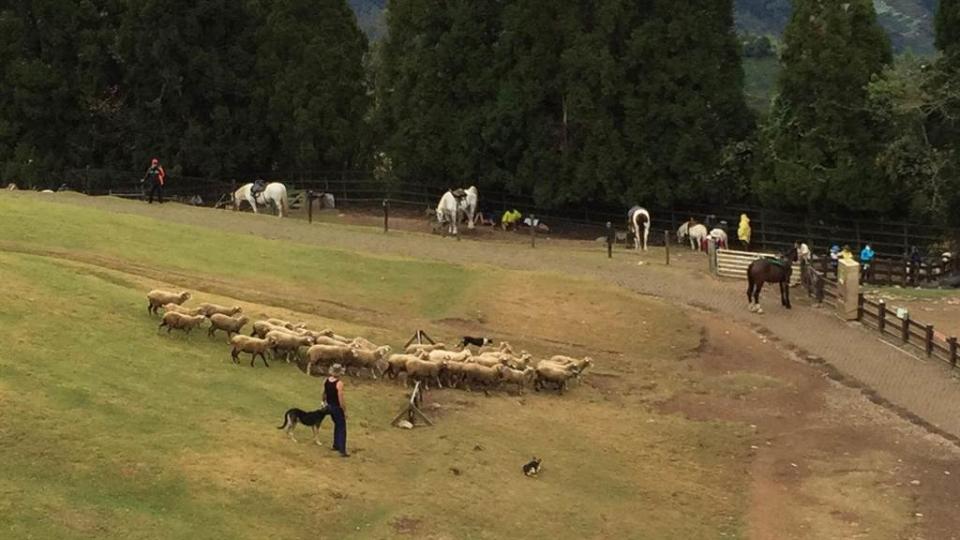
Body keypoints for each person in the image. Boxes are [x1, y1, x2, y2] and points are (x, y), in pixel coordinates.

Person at [323, 364, 349, 457]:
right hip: (336, 407)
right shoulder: (339, 383)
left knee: (337, 424)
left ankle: (336, 445)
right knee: (342, 427)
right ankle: (342, 450)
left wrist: (324, 402)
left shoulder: (326, 380)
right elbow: (340, 398)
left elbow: (324, 393)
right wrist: (344, 410)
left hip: (329, 406)